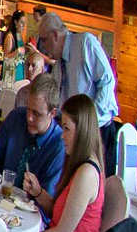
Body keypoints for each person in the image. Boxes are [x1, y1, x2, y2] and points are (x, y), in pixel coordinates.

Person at [28, 95, 105, 232]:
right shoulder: (82, 166)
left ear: (82, 132)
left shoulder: (87, 174)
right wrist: (38, 192)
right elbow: (61, 213)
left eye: (67, 129)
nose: (62, 136)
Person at [0, 73, 65, 223]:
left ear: (52, 113)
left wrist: (39, 192)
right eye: (28, 109)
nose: (29, 118)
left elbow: (51, 210)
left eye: (37, 113)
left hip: (29, 217)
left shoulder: (58, 146)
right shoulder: (16, 118)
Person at [35, 13, 118, 158]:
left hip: (97, 131)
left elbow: (107, 81)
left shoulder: (85, 43)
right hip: (72, 133)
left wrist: (89, 123)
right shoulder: (58, 65)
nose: (42, 47)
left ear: (55, 35)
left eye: (44, 40)